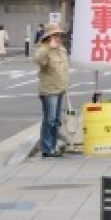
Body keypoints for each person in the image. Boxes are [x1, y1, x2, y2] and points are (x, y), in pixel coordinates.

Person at [34, 23, 70, 157]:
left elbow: (64, 69)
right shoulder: (43, 49)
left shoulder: (61, 49)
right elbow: (39, 61)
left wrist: (66, 86)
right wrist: (48, 48)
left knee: (56, 120)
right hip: (49, 90)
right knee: (49, 119)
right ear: (49, 36)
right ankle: (47, 148)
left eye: (59, 35)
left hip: (60, 88)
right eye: (55, 35)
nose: (59, 37)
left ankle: (53, 145)